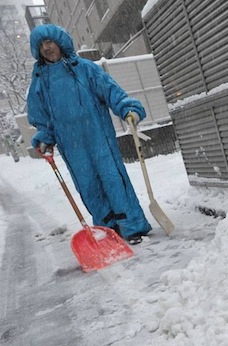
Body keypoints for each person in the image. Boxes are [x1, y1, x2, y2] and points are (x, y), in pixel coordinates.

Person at [27, 24, 151, 245]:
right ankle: (106, 230)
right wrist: (45, 138)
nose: (47, 48)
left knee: (113, 179)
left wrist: (128, 108)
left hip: (98, 137)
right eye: (42, 45)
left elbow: (111, 91)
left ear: (60, 43)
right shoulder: (39, 82)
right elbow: (42, 118)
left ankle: (131, 227)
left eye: (50, 42)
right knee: (89, 186)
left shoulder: (85, 68)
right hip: (72, 147)